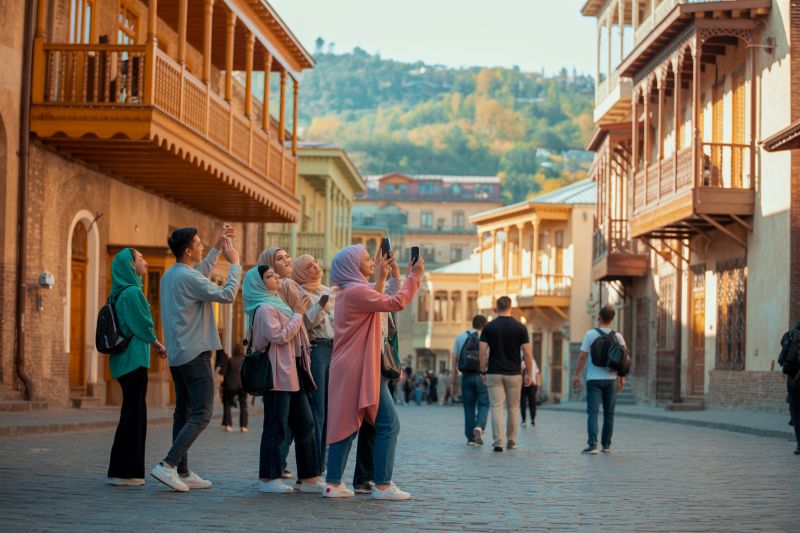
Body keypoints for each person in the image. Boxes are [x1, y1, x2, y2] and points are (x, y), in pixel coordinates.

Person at [323, 244, 423, 500]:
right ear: (353, 265)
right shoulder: (357, 291)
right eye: (367, 259)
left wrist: (393, 273)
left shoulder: (351, 290)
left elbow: (385, 292)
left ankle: (333, 483)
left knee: (347, 424)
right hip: (359, 366)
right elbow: (396, 302)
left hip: (353, 365)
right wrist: (415, 277)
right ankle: (382, 486)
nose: (372, 261)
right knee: (388, 424)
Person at [150, 227, 242, 492]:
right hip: (194, 354)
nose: (202, 247)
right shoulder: (187, 277)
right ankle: (168, 465)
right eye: (199, 244)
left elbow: (199, 272)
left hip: (178, 355)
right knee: (202, 414)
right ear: (189, 250)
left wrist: (216, 248)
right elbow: (227, 295)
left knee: (184, 413)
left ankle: (182, 471)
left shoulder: (172, 274)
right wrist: (235, 264)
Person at [250, 264, 325, 494]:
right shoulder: (265, 309)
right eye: (269, 276)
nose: (276, 278)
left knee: (306, 424)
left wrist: (297, 313)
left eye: (275, 275)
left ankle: (308, 478)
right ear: (259, 283)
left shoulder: (280, 306)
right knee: (276, 427)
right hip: (277, 375)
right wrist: (298, 314)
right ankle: (268, 478)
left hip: (293, 373)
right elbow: (279, 336)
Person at [107, 248, 167, 486]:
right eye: (141, 258)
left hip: (125, 361)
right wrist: (156, 342)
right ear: (131, 265)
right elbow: (144, 323)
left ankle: (122, 471)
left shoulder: (118, 293)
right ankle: (125, 473)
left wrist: (154, 342)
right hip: (133, 361)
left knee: (131, 414)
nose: (146, 262)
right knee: (134, 417)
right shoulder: (132, 293)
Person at [290, 254, 335, 470]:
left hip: (335, 349)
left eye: (316, 262)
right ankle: (314, 466)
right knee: (317, 410)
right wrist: (322, 304)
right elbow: (305, 323)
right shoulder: (299, 292)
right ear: (301, 272)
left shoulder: (328, 290)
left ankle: (321, 462)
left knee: (329, 411)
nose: (316, 267)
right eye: (309, 266)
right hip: (316, 350)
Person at [479, 297, 533, 452]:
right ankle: (511, 440)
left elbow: (482, 352)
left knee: (496, 407)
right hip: (514, 373)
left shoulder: (488, 327)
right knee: (513, 408)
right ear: (511, 307)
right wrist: (529, 373)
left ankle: (498, 442)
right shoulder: (520, 327)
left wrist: (483, 371)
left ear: (497, 308)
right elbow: (527, 353)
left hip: (494, 372)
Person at [572, 305, 627, 455]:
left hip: (594, 380)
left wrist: (577, 375)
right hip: (611, 380)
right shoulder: (618, 336)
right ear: (612, 319)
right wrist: (622, 378)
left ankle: (593, 445)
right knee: (609, 413)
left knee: (593, 413)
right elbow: (623, 359)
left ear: (599, 318)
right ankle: (606, 445)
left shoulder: (590, 334)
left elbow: (582, 356)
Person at [451, 314, 489, 446]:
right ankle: (479, 426)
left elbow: (454, 358)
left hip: (466, 376)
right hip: (482, 376)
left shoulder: (460, 337)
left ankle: (471, 438)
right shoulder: (487, 337)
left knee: (468, 407)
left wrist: (453, 380)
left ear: (472, 324)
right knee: (484, 404)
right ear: (484, 325)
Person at [219, 345, 247, 433]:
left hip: (230, 385)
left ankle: (228, 425)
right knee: (243, 406)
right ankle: (243, 426)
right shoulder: (244, 360)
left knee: (227, 404)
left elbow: (222, 372)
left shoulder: (229, 360)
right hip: (242, 385)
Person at [520, 355, 541, 427]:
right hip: (523, 385)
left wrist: (538, 386)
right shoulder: (522, 362)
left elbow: (537, 373)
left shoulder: (533, 362)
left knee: (532, 402)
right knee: (523, 403)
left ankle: (532, 419)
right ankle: (524, 420)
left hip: (531, 384)